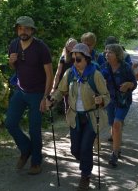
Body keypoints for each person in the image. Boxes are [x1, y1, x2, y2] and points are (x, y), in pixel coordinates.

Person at [46, 43, 110, 191]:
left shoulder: (95, 74)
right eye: (73, 58)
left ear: (87, 59)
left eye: (78, 59)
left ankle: (85, 175)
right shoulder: (70, 73)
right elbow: (61, 91)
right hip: (75, 116)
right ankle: (86, 164)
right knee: (75, 150)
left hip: (92, 117)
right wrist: (52, 100)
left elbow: (107, 96)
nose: (75, 61)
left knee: (86, 147)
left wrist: (101, 100)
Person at [5, 16, 53, 175]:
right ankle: (26, 149)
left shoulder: (41, 48)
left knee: (34, 129)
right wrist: (11, 62)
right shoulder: (13, 44)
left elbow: (49, 74)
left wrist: (46, 97)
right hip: (20, 91)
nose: (23, 31)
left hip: (37, 94)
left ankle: (36, 162)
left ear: (32, 30)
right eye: (20, 28)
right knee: (10, 123)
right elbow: (14, 67)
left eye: (26, 28)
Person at [100, 44, 137, 167]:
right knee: (114, 125)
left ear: (117, 55)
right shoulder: (104, 67)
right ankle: (118, 146)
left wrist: (128, 84)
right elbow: (98, 83)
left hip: (123, 101)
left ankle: (115, 153)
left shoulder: (126, 67)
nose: (107, 54)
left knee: (116, 124)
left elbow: (134, 83)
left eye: (110, 52)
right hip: (109, 101)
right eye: (106, 52)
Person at [51, 38, 78, 113]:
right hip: (66, 85)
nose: (72, 47)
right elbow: (58, 73)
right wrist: (54, 88)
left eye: (74, 45)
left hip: (77, 84)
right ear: (67, 47)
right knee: (68, 107)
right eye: (70, 45)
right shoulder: (63, 58)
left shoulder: (80, 58)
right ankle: (70, 123)